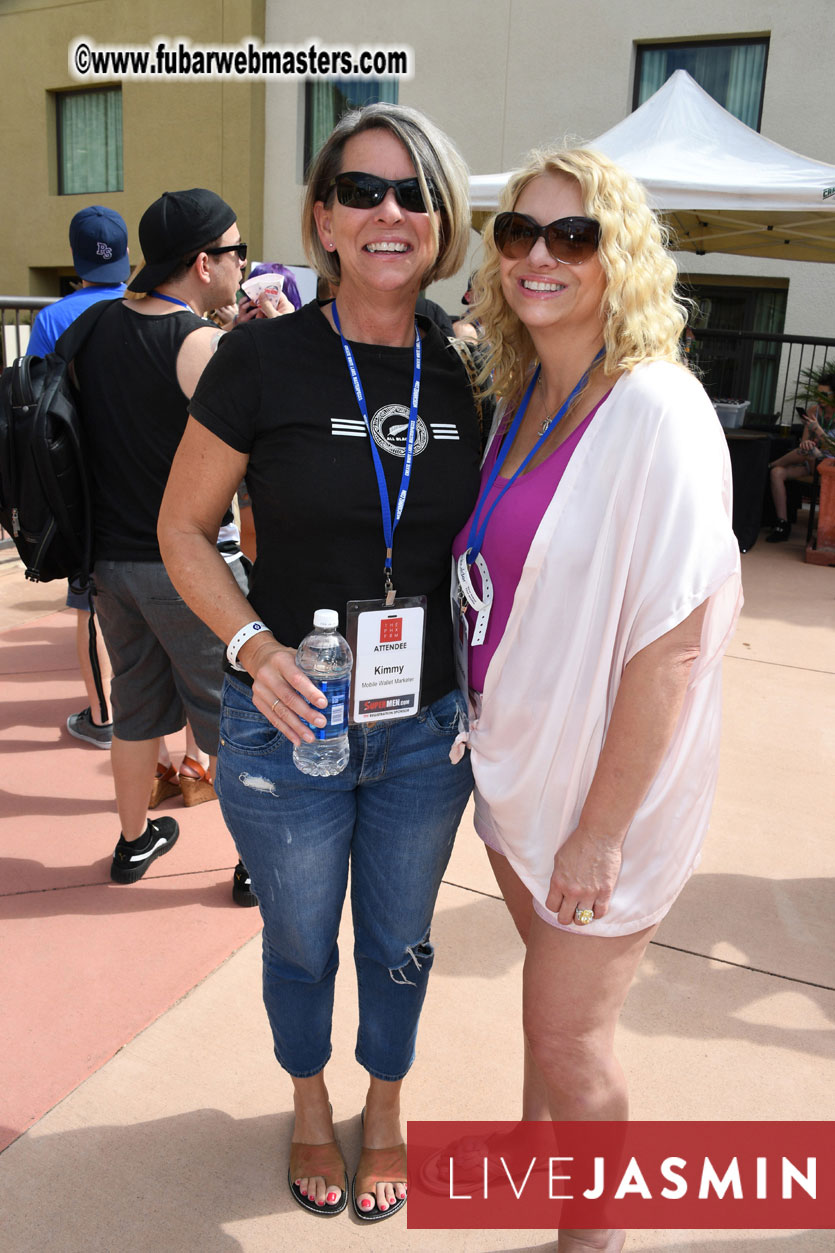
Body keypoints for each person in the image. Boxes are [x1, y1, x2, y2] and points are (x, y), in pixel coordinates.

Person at [157, 103, 481, 1220]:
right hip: (288, 717)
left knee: (398, 941)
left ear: (444, 218)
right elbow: (182, 529)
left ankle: (383, 1101)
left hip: (425, 728)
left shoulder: (477, 371)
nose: (387, 212)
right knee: (300, 938)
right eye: (361, 191)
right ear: (323, 218)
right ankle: (309, 1098)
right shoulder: (259, 358)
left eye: (412, 192)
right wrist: (250, 646)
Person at [450, 146, 741, 1253]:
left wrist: (599, 832)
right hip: (518, 764)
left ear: (618, 257)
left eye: (573, 236)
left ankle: (591, 1239)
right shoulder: (521, 393)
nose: (539, 254)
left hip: (598, 796)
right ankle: (539, 1181)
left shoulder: (658, 410)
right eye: (517, 232)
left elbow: (670, 647)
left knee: (569, 1043)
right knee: (545, 1010)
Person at [70, 187, 254, 905]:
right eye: (237, 252)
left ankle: (131, 839)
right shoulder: (198, 344)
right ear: (204, 262)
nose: (243, 264)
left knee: (136, 709)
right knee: (233, 718)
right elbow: (247, 456)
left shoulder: (93, 328)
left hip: (109, 562)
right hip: (187, 566)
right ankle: (252, 862)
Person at [26, 205, 131, 748]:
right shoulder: (146, 308)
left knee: (89, 599)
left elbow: (37, 404)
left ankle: (103, 715)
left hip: (81, 479)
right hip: (142, 471)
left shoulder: (52, 318)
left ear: (77, 261)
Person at [766, 373, 835, 542]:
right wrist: (808, 443)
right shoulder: (813, 412)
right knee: (777, 473)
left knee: (806, 453)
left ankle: (766, 465)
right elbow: (804, 442)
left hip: (830, 464)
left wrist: (818, 431)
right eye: (817, 394)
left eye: (824, 395)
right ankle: (782, 523)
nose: (819, 398)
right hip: (810, 460)